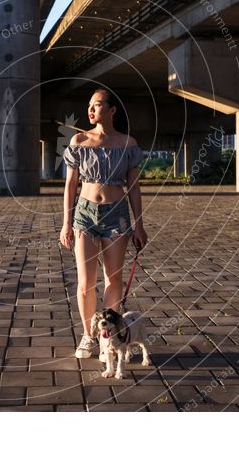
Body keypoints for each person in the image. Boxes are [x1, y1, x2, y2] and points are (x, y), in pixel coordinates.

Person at [59, 88, 148, 359]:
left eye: (97, 105)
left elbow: (133, 187)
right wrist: (66, 223)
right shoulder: (79, 140)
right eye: (90, 105)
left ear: (112, 110)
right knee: (86, 282)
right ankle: (88, 336)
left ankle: (110, 341)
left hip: (117, 215)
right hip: (84, 214)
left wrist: (139, 225)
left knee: (114, 278)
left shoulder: (127, 143)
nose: (91, 109)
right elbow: (71, 185)